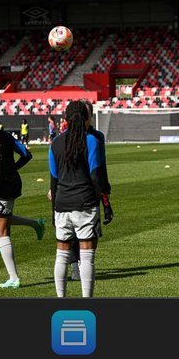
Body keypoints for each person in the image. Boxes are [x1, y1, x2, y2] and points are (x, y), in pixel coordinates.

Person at [0, 105, 46, 290]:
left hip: (1, 186)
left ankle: (13, 278)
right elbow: (27, 155)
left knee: (2, 232)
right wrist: (13, 169)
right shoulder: (7, 136)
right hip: (13, 183)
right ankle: (36, 224)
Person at [49, 100, 108, 299]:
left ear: (66, 119)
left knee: (61, 256)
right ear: (85, 117)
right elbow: (95, 175)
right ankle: (86, 301)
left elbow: (54, 181)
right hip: (85, 204)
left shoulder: (55, 143)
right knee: (87, 257)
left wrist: (53, 212)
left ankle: (60, 299)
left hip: (61, 205)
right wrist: (104, 199)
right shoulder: (91, 141)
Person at [68, 100, 113, 284]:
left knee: (89, 232)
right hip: (71, 188)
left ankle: (82, 264)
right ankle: (74, 265)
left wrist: (106, 198)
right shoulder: (66, 136)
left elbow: (101, 167)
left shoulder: (97, 138)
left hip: (91, 188)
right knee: (71, 231)